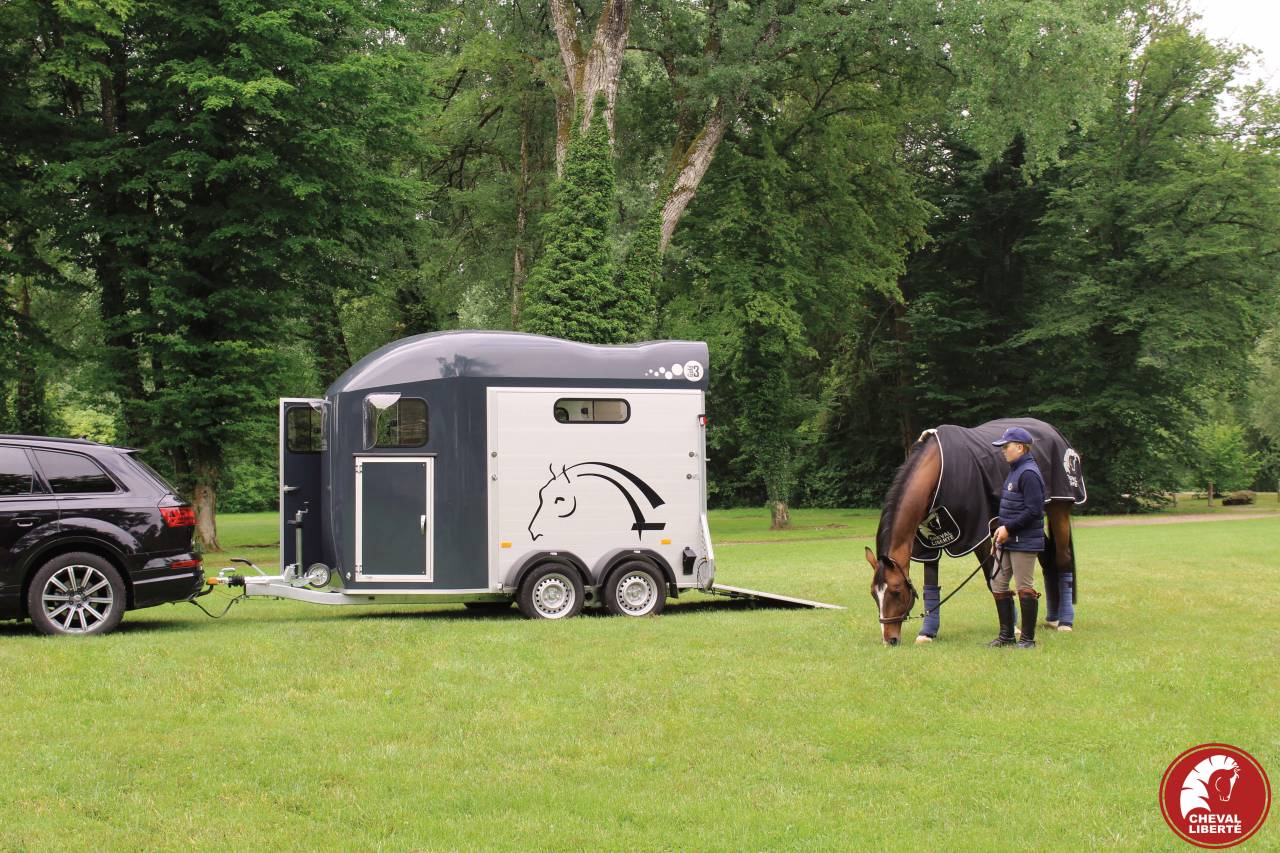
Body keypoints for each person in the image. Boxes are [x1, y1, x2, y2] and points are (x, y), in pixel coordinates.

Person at [987, 426, 1045, 649]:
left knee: (1024, 587)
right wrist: (1001, 534)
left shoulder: (1029, 473)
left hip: (1024, 541)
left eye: (1006, 446)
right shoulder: (1015, 469)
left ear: (1019, 447)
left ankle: (1027, 640)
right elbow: (1012, 507)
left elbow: (1034, 510)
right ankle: (1006, 636)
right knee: (998, 584)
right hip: (1008, 539)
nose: (1003, 450)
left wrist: (1008, 528)